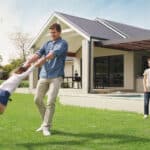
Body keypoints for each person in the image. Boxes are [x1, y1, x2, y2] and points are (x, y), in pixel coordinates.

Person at [23, 23, 68, 136]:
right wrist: (29, 61)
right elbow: (38, 54)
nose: (52, 34)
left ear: (59, 32)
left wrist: (40, 62)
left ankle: (46, 126)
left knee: (50, 101)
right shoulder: (47, 43)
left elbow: (51, 55)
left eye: (54, 32)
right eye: (51, 32)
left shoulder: (63, 43)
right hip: (44, 76)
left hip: (56, 77)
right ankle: (45, 123)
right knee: (37, 99)